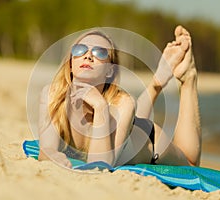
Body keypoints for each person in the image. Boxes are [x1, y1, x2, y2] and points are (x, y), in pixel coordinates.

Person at [37, 25, 201, 168]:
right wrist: (51, 155)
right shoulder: (53, 95)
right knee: (129, 117)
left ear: (109, 71)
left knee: (191, 162)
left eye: (100, 53)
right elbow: (47, 150)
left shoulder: (123, 103)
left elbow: (101, 164)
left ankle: (189, 78)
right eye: (80, 50)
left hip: (149, 141)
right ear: (71, 63)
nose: (88, 56)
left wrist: (100, 107)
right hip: (126, 130)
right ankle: (158, 81)